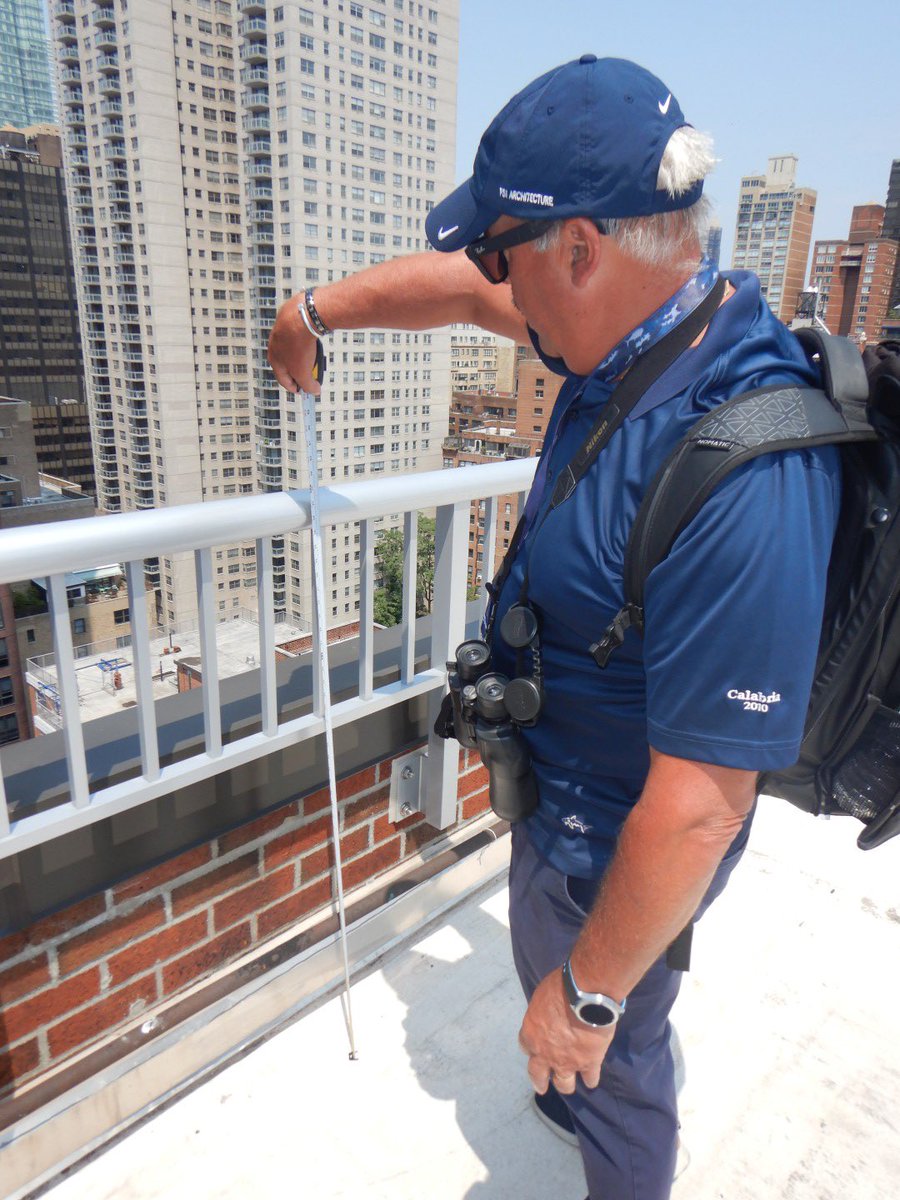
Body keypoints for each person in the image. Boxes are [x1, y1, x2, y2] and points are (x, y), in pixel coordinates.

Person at [269, 55, 840, 1200]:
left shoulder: (747, 465)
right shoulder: (630, 331)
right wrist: (314, 311)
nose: (493, 278)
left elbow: (700, 810)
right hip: (565, 801)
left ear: (580, 247)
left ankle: (599, 1110)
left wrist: (584, 996)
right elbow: (458, 294)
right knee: (559, 965)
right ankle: (571, 1048)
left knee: (620, 1062)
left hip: (622, 837)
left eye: (506, 250)